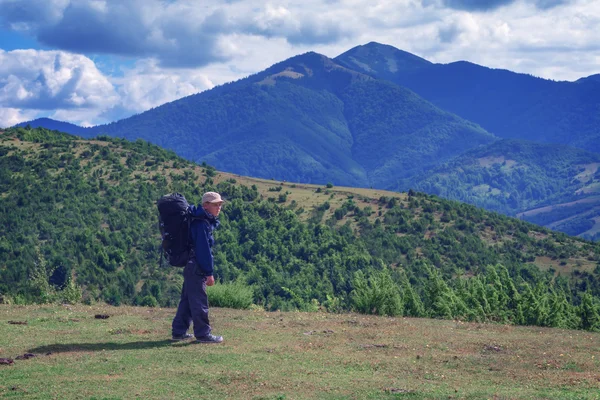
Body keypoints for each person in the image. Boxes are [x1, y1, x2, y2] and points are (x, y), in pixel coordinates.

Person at [171, 191, 224, 343]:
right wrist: (209, 272)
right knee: (199, 301)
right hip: (196, 266)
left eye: (220, 204)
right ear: (206, 205)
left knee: (187, 300)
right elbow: (203, 250)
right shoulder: (201, 223)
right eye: (215, 204)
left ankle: (179, 331)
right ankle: (203, 334)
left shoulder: (198, 219)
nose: (219, 207)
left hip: (190, 265)